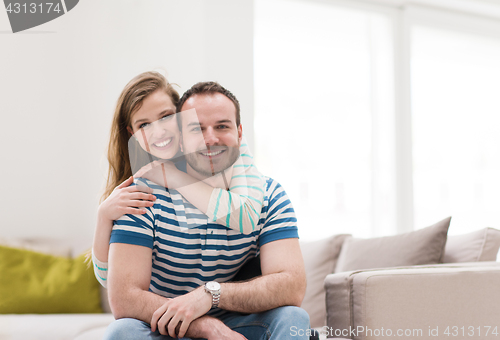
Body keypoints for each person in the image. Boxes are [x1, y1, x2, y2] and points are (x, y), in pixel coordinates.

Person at [103, 81, 310, 340]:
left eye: (222, 126)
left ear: (239, 132)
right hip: (167, 326)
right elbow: (124, 298)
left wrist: (210, 294)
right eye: (197, 129)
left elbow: (291, 286)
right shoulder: (142, 195)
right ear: (180, 138)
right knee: (122, 331)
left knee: (293, 318)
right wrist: (205, 326)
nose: (210, 139)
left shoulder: (267, 195)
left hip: (238, 324)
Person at [92, 72, 266, 286]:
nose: (159, 132)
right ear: (132, 133)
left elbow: (246, 217)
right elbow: (110, 280)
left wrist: (174, 177)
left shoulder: (228, 147)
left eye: (166, 117)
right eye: (144, 125)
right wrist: (103, 216)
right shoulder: (142, 187)